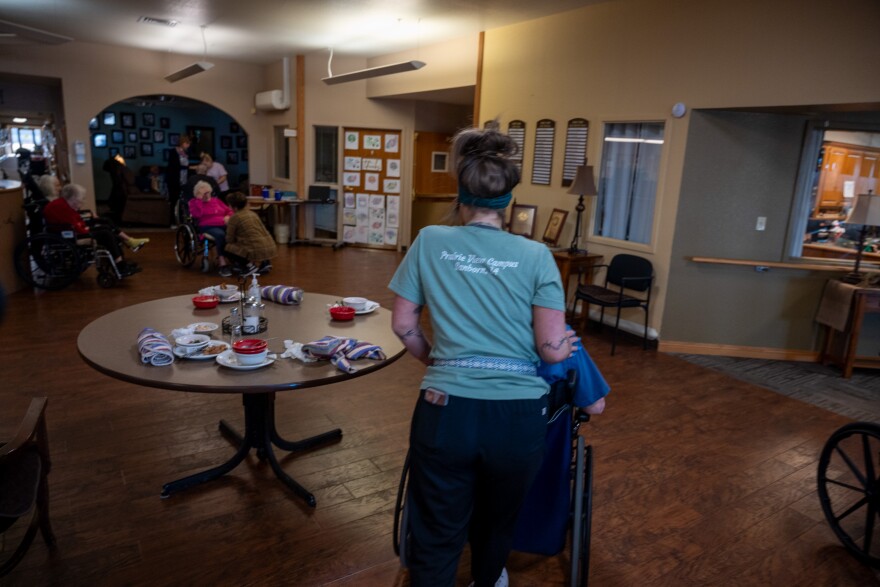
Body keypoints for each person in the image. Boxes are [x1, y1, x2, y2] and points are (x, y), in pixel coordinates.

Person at [388, 125, 575, 587]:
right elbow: (551, 350)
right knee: (496, 522)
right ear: (508, 199)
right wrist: (565, 344)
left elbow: (404, 325)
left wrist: (436, 361)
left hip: (444, 410)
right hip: (517, 419)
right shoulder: (537, 256)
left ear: (461, 192)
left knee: (435, 528)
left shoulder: (430, 240)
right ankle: (488, 580)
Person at [43, 184, 142, 276]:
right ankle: (121, 264)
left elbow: (76, 221)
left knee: (106, 228)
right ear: (73, 198)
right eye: (80, 200)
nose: (82, 202)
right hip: (69, 235)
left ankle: (121, 262)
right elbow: (75, 226)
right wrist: (87, 228)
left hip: (70, 231)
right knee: (106, 233)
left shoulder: (64, 204)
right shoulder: (62, 207)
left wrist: (86, 226)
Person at [223, 191, 277, 275]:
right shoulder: (253, 214)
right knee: (254, 241)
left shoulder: (235, 217)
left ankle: (248, 266)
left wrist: (227, 224)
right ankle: (264, 263)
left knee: (227, 247)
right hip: (270, 246)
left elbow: (229, 239)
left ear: (234, 207)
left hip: (255, 249)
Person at [188, 179, 234, 277]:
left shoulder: (216, 200)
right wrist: (199, 201)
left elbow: (229, 211)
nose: (207, 194)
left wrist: (228, 216)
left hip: (224, 224)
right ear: (197, 194)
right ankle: (222, 262)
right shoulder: (194, 203)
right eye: (204, 193)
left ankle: (237, 259)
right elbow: (197, 215)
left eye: (208, 192)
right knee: (221, 235)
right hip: (207, 227)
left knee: (236, 232)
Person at [165, 134, 192, 226]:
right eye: (187, 143)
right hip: (174, 181)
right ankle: (172, 222)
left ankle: (181, 221)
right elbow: (174, 166)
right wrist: (190, 167)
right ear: (182, 143)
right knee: (173, 201)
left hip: (183, 181)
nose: (188, 145)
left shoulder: (186, 154)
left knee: (183, 201)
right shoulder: (173, 152)